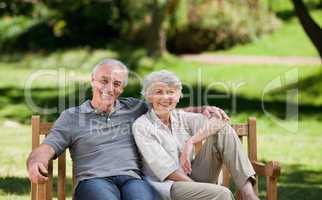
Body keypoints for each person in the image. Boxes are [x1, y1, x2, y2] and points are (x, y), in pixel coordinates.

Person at [26, 59, 229, 200]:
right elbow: (48, 147)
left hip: (133, 180)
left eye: (116, 83)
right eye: (104, 81)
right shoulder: (72, 117)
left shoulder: (134, 108)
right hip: (94, 181)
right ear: (92, 80)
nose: (109, 88)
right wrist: (36, 162)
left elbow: (165, 108)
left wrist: (202, 109)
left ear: (121, 88)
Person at [132, 70, 259, 200]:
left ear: (178, 96)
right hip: (169, 187)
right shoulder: (142, 126)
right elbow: (167, 171)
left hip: (193, 176)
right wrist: (200, 189)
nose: (165, 97)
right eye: (159, 92)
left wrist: (191, 141)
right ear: (148, 96)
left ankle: (248, 195)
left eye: (171, 92)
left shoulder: (181, 117)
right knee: (222, 193)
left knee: (221, 132)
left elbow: (220, 122)